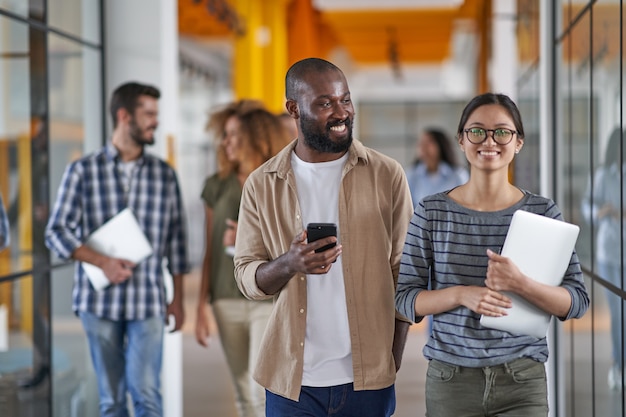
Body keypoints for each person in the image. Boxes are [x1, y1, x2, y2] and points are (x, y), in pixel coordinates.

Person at [233, 57, 414, 417]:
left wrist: (390, 361)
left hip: (367, 382)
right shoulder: (262, 183)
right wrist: (289, 263)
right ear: (293, 109)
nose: (341, 112)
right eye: (325, 103)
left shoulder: (386, 175)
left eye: (345, 99)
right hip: (290, 383)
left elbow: (404, 272)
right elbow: (246, 275)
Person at [395, 92, 589, 417]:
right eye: (477, 131)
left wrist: (521, 284)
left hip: (522, 381)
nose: (489, 141)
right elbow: (404, 300)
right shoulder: (431, 211)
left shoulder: (543, 212)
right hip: (450, 380)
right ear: (460, 140)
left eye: (502, 131)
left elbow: (577, 302)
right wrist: (462, 295)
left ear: (518, 142)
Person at [45, 81, 189, 417]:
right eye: (148, 113)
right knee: (111, 402)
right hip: (98, 303)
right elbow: (56, 231)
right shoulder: (82, 171)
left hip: (148, 302)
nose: (155, 121)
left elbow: (177, 244)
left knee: (147, 396)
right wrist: (102, 262)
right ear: (124, 116)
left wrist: (178, 299)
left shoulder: (164, 176)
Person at [195, 100, 291, 417]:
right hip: (225, 297)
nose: (226, 142)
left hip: (267, 296)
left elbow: (292, 243)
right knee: (242, 392)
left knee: (258, 386)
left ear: (254, 136)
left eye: (233, 134)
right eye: (224, 135)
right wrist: (200, 306)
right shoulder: (216, 185)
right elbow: (210, 249)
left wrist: (247, 239)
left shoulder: (279, 182)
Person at [581, 127, 626, 390]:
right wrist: (602, 212)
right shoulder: (601, 176)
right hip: (609, 253)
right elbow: (587, 206)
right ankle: (619, 365)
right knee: (618, 312)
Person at [405, 127, 468, 208]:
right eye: (421, 142)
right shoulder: (411, 175)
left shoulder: (458, 174)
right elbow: (408, 208)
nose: (423, 146)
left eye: (429, 142)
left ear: (440, 145)